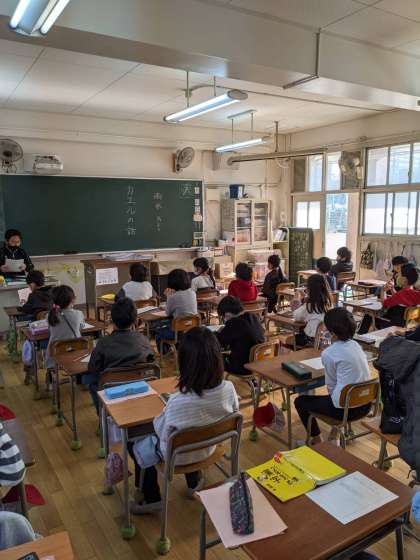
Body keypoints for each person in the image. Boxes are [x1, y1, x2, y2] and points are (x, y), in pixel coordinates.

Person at [129, 327, 239, 514]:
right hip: (208, 448)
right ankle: (194, 483)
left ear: (185, 363)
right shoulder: (229, 388)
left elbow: (162, 433)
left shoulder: (178, 401)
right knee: (193, 429)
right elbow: (233, 413)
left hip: (176, 457)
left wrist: (161, 414)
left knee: (135, 442)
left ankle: (151, 497)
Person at [294, 308, 371, 444]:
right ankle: (333, 437)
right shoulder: (356, 345)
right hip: (365, 405)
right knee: (339, 394)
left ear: (333, 333)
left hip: (344, 410)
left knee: (300, 402)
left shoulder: (329, 353)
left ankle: (318, 441)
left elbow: (331, 387)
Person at [84, 297, 154, 412]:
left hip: (111, 389)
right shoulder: (143, 340)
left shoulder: (103, 343)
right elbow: (151, 361)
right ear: (135, 320)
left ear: (111, 320)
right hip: (138, 385)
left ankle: (103, 415)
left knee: (90, 381)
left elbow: (93, 368)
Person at [216, 296, 265, 375]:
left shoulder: (234, 323)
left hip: (242, 367)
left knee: (212, 356)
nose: (224, 320)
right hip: (259, 363)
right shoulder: (253, 316)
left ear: (227, 314)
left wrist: (217, 333)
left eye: (224, 317)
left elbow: (219, 342)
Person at [156, 269, 197, 352]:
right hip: (192, 328)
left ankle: (164, 354)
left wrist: (168, 296)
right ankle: (178, 347)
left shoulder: (173, 296)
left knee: (158, 332)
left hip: (178, 332)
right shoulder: (192, 293)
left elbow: (167, 313)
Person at [46, 285, 85, 369]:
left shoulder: (50, 315)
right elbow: (81, 327)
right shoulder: (78, 314)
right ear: (72, 300)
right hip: (75, 354)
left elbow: (49, 329)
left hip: (55, 356)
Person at [293, 274, 331, 347]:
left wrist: (297, 299)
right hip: (325, 340)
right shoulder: (328, 303)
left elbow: (296, 316)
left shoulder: (310, 305)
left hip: (311, 340)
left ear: (310, 289)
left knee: (286, 339)